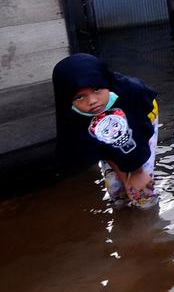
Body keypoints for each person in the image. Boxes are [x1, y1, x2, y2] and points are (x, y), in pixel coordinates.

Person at [52, 54, 159, 208]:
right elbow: (98, 146)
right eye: (79, 97)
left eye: (96, 89)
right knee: (117, 192)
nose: (92, 101)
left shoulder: (132, 92)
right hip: (104, 126)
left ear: (106, 82)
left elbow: (138, 136)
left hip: (140, 119)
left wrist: (136, 173)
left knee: (142, 191)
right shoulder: (74, 113)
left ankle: (149, 217)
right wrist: (125, 178)